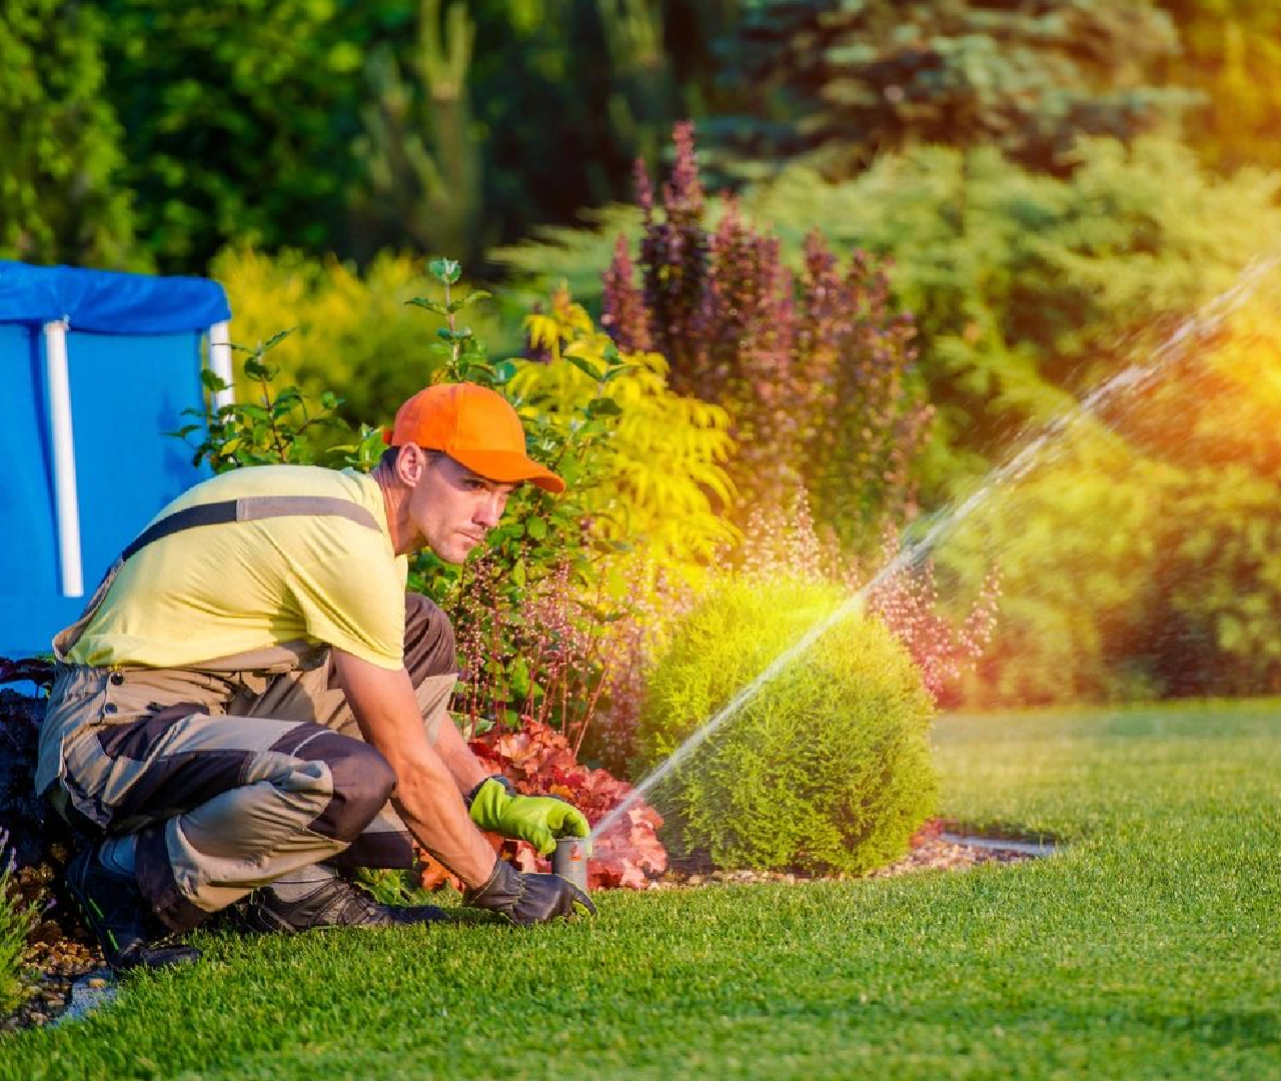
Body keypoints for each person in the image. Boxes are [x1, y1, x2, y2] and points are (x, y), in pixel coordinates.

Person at [36, 382, 596, 972]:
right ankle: (123, 879)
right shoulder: (348, 543)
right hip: (108, 739)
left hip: (193, 713)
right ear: (411, 463)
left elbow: (401, 709)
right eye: (474, 486)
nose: (491, 516)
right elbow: (403, 761)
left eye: (503, 495)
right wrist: (499, 887)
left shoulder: (366, 529)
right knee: (347, 782)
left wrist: (486, 796)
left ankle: (295, 893)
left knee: (419, 631)